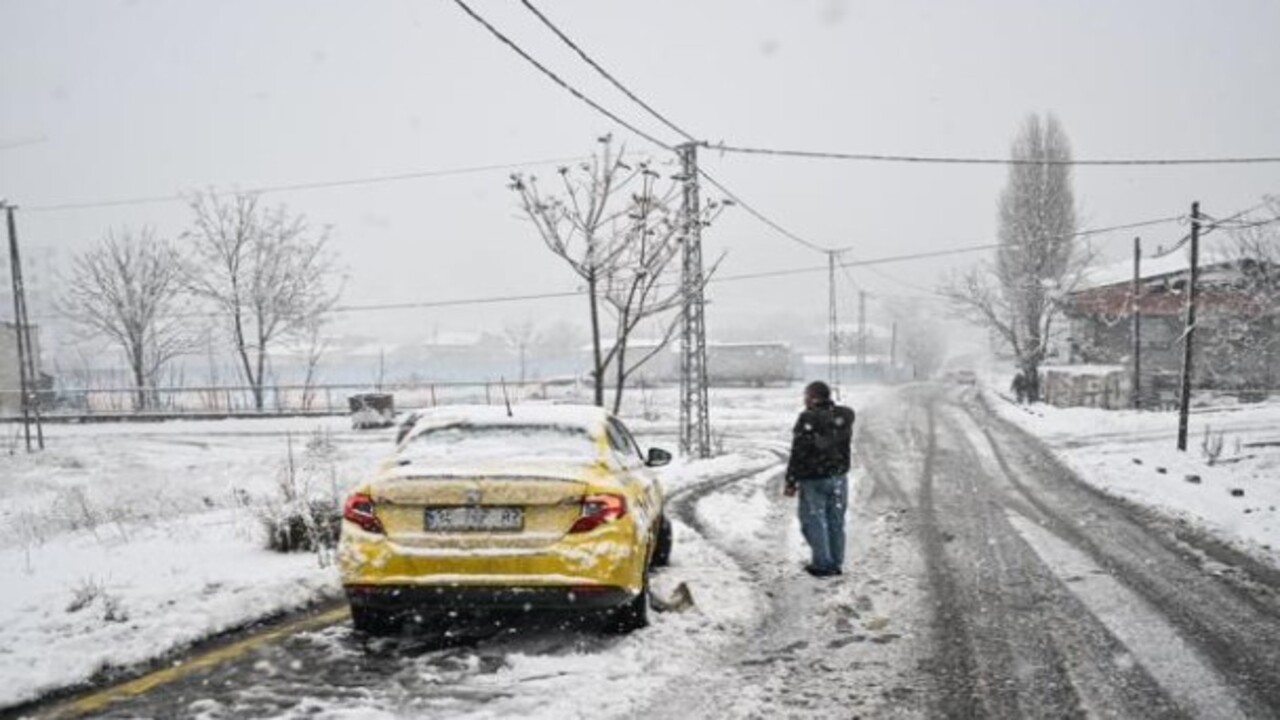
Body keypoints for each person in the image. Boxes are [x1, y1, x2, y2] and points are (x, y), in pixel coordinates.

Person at [784, 381, 856, 578]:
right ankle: (835, 562)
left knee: (813, 521)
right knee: (836, 521)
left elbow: (798, 452)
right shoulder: (845, 415)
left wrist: (791, 481)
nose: (804, 399)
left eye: (806, 395)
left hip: (813, 479)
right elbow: (840, 420)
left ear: (812, 397)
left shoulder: (807, 418)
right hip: (838, 477)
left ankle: (823, 564)